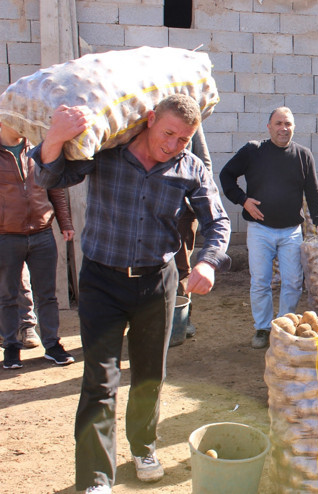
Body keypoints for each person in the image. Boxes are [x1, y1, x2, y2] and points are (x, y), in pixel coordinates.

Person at [33, 94, 231, 493]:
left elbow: (218, 221)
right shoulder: (108, 151)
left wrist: (208, 262)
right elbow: (51, 178)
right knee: (100, 379)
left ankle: (143, 448)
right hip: (102, 281)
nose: (173, 145)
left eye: (183, 139)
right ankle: (95, 476)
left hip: (156, 283)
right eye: (168, 133)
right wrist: (54, 139)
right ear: (150, 118)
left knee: (149, 376)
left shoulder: (189, 167)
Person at [220, 107, 318, 350]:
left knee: (293, 281)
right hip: (260, 229)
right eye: (279, 123)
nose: (284, 128)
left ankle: (284, 326)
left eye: (288, 124)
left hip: (291, 231)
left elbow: (313, 191)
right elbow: (226, 176)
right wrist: (243, 200)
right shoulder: (253, 151)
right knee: (260, 281)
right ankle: (262, 328)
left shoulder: (303, 155)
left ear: (294, 127)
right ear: (269, 127)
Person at [1, 121, 75, 369]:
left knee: (48, 295)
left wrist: (65, 222)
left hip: (42, 234)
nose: (20, 123)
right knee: (7, 296)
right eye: (14, 119)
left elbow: (55, 187)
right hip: (6, 236)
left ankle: (52, 345)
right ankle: (11, 347)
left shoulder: (39, 149)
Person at [174, 126, 212, 338]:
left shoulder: (192, 123)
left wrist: (197, 202)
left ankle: (183, 317)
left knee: (182, 266)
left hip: (183, 213)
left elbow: (205, 164)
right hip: (150, 209)